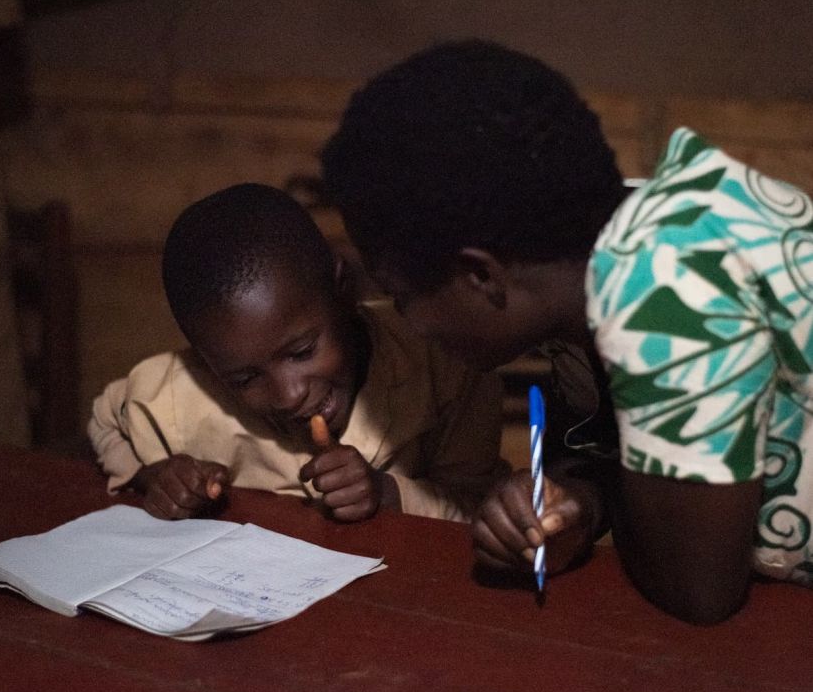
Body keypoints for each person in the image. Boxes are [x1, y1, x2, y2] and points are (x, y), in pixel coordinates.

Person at [320, 39, 813, 623]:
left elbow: (700, 591)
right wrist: (578, 501)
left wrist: (599, 497)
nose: (408, 322)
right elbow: (622, 457)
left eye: (403, 297)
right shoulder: (592, 258)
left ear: (481, 275)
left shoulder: (667, 294)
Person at [89, 183, 505, 524]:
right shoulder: (179, 392)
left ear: (344, 292)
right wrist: (152, 476)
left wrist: (388, 493)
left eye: (303, 351)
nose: (288, 396)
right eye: (245, 379)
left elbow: (476, 505)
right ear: (206, 363)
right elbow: (106, 420)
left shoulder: (443, 358)